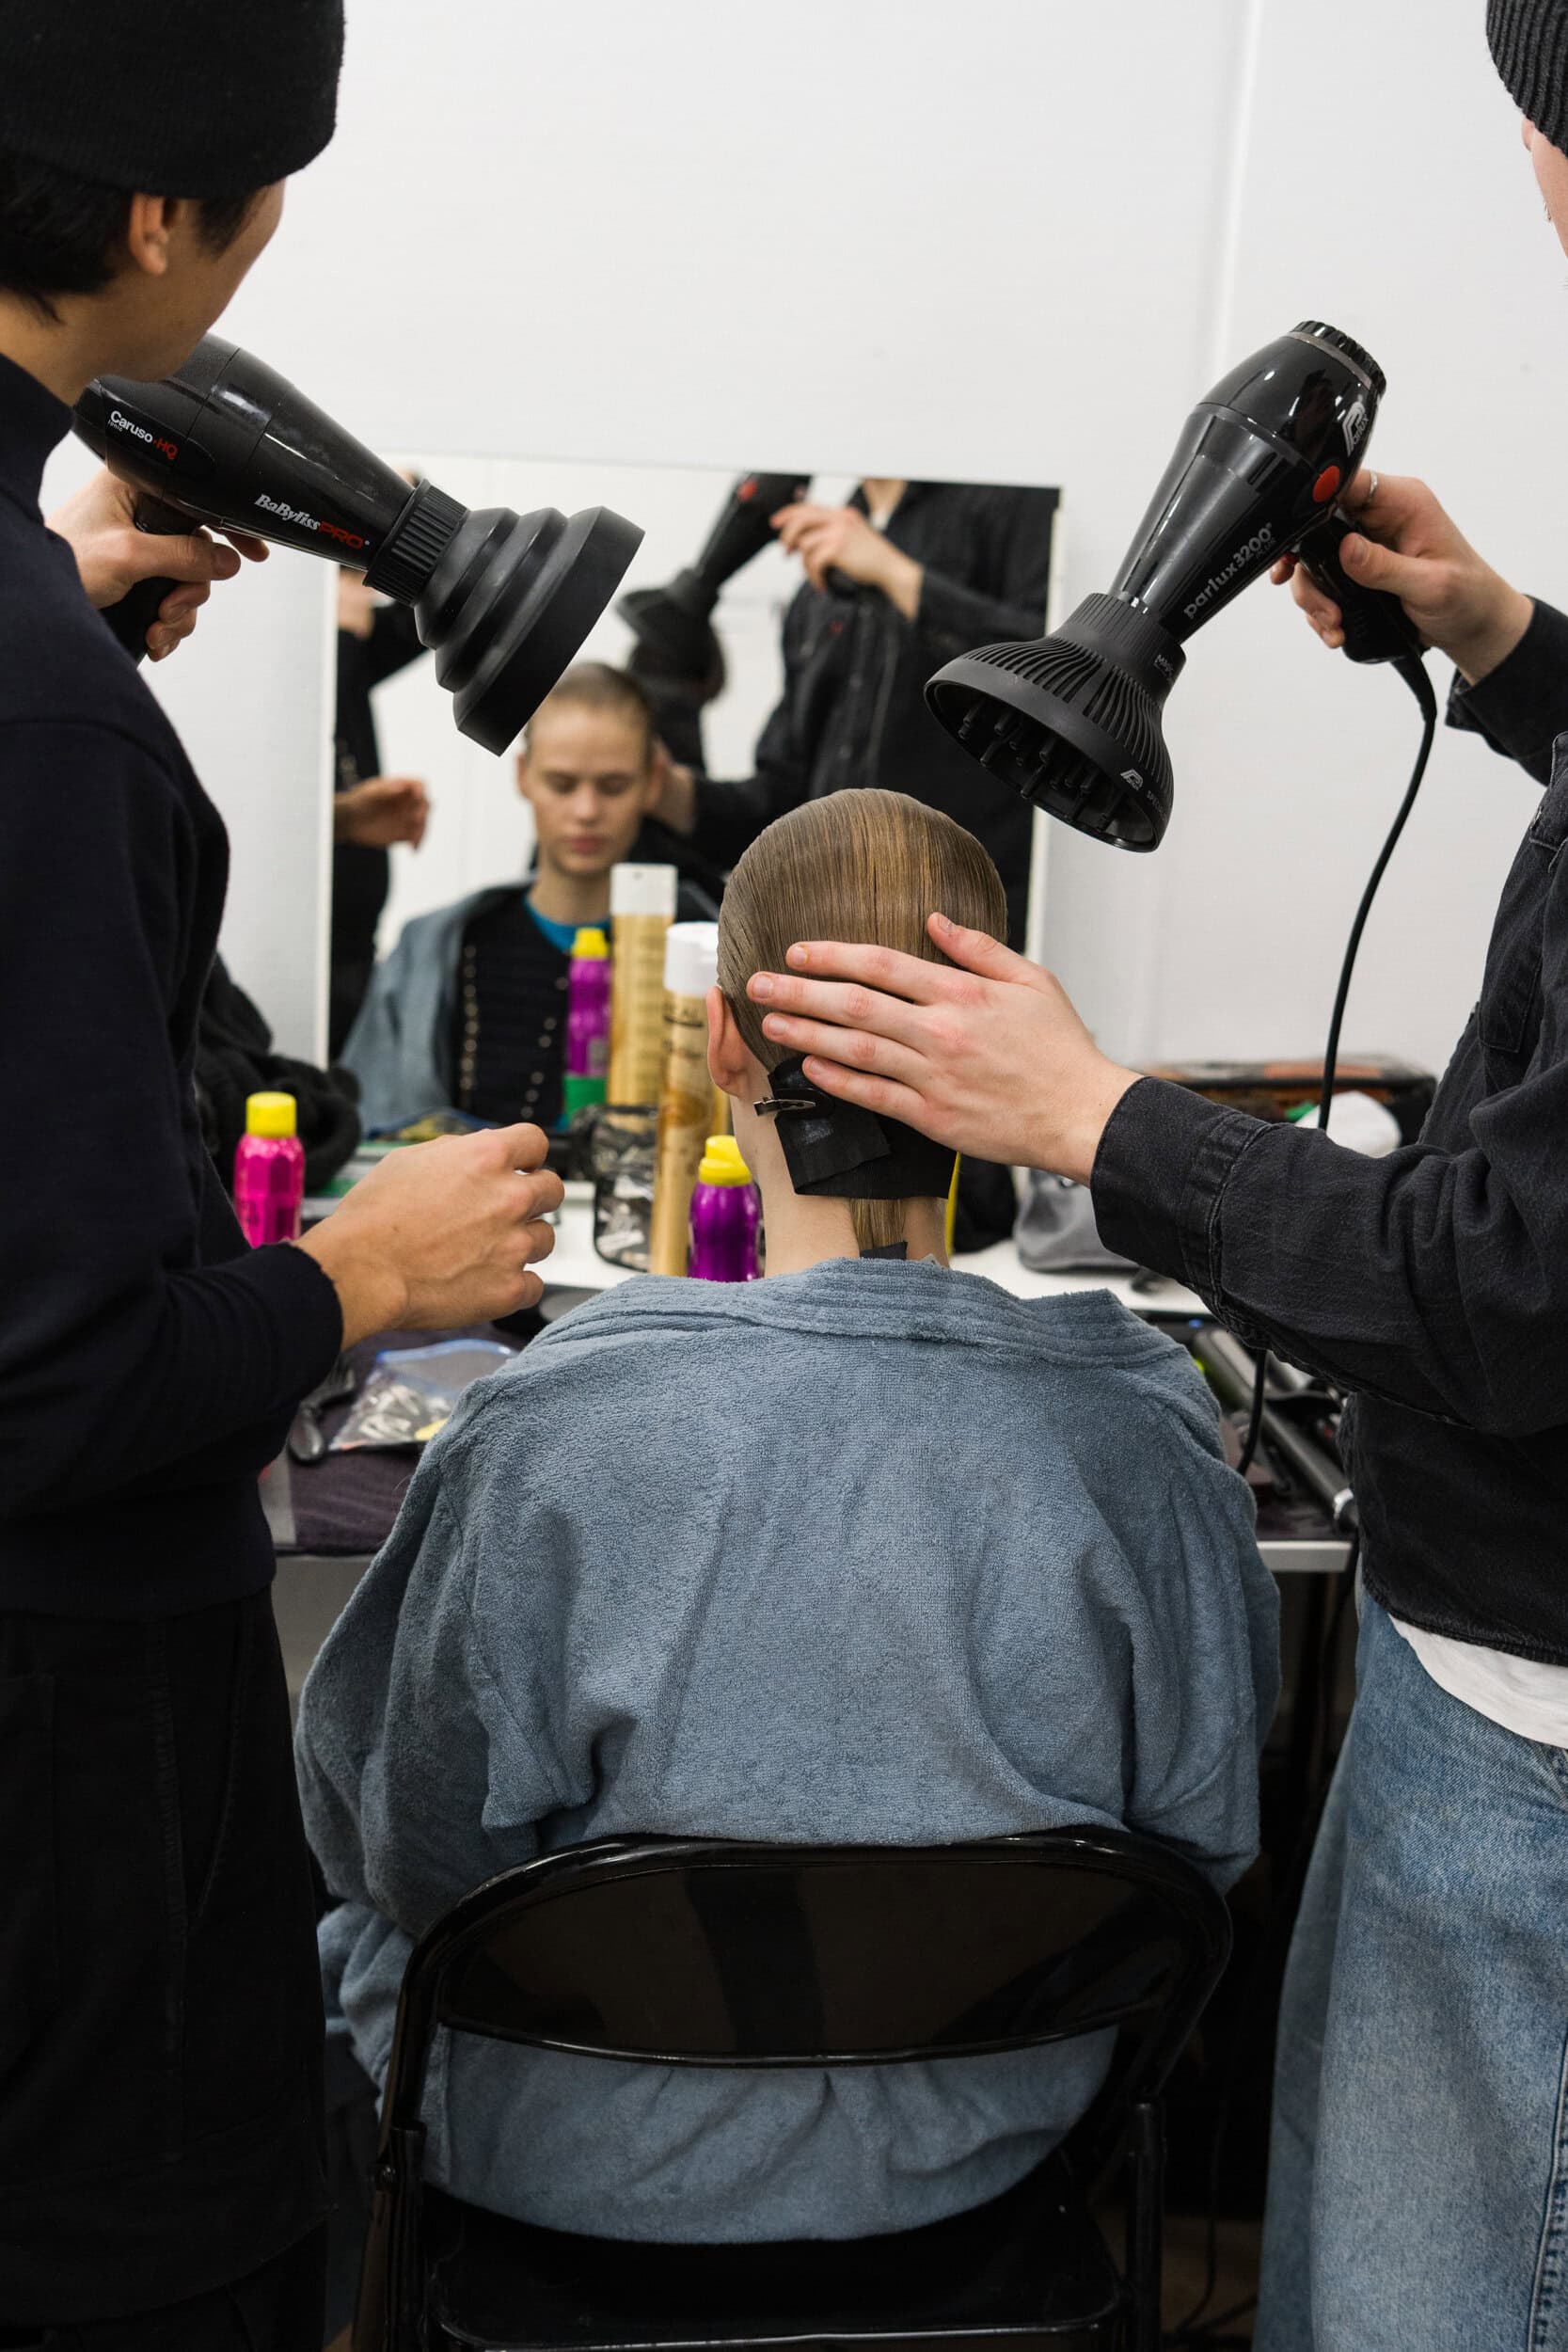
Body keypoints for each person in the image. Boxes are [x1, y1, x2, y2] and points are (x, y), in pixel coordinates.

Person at [736, 8, 1568, 2341]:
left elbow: (1502, 1288)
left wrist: (1101, 1117)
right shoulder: (1125, 1457)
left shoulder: (549, 1458)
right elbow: (1188, 1837)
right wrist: (1507, 654)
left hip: (1538, 1729)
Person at [296, 787, 1276, 2253]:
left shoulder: (554, 1427)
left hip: (566, 2141)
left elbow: (399, 1839)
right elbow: (1201, 1837)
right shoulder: (1142, 1429)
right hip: (988, 2137)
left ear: (725, 1045)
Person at [0, 9, 562, 2344]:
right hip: (63, 1777)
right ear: (158, 218)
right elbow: (51, 1384)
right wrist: (359, 1276)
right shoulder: (30, 713)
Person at [647, 477, 1058, 951]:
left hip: (964, 938)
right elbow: (788, 798)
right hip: (834, 934)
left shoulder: (1017, 495)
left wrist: (898, 577)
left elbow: (1061, 682)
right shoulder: (821, 584)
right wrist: (667, 792)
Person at [342, 663, 715, 1134]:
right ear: (524, 776)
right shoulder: (435, 951)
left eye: (613, 786)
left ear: (652, 782)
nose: (586, 812)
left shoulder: (704, 953)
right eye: (562, 784)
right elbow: (378, 1125)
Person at [330, 567, 432, 1056]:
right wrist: (339, 636)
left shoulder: (350, 652)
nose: (366, 591)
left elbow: (443, 597)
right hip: (310, 955)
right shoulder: (319, 651)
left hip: (357, 948)